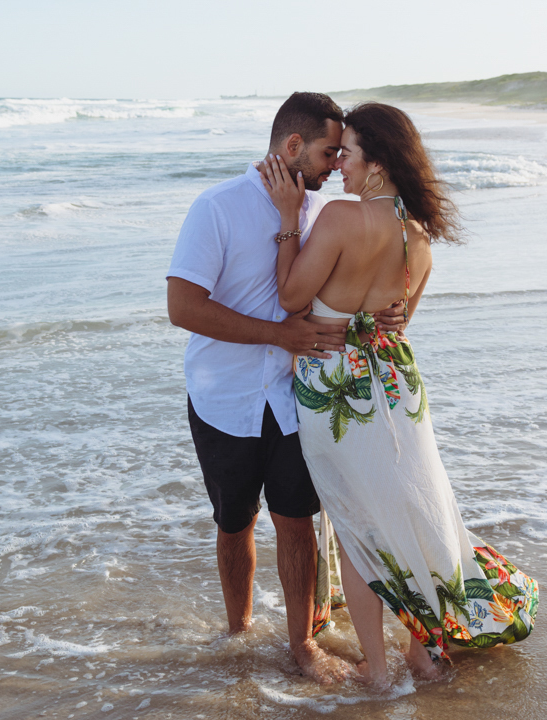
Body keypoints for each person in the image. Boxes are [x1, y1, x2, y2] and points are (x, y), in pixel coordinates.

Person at [259, 102, 538, 687]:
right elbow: (398, 322)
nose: (339, 166)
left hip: (336, 389)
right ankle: (422, 654)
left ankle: (380, 673)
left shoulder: (339, 218)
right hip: (398, 388)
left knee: (358, 529)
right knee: (412, 514)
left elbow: (290, 298)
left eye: (348, 154)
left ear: (379, 162)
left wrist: (288, 220)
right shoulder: (419, 237)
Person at [166, 92, 405, 684]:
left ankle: (302, 645)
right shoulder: (216, 207)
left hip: (300, 398)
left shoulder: (325, 211)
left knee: (297, 520)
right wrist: (279, 334)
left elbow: (351, 287)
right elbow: (182, 308)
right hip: (223, 397)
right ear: (293, 145)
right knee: (234, 523)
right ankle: (239, 633)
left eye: (342, 154)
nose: (334, 164)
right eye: (327, 152)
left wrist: (386, 314)